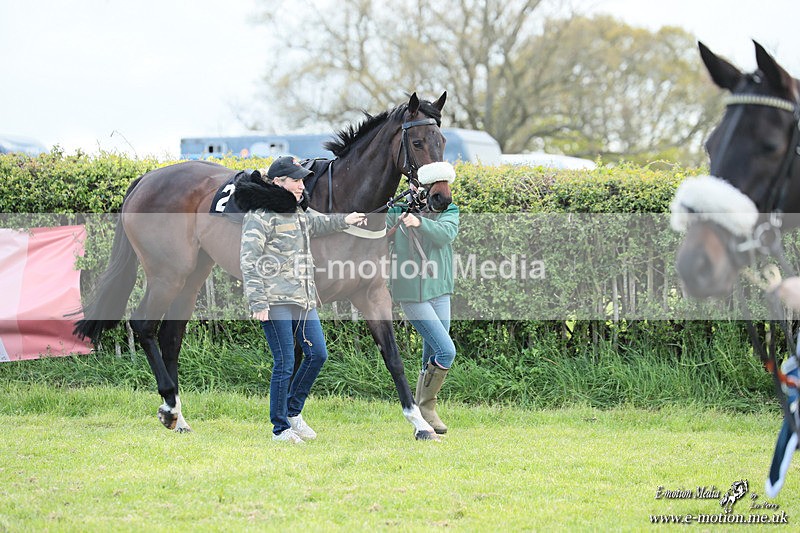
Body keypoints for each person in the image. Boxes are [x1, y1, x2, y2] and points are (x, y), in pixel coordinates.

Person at [237, 156, 365, 444]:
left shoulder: (296, 212)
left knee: (318, 354)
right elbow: (249, 261)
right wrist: (258, 302)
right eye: (296, 180)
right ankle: (280, 429)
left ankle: (293, 412)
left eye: (302, 179)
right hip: (274, 300)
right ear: (278, 182)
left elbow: (317, 225)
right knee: (284, 363)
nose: (301, 184)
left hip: (303, 299)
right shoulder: (259, 216)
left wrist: (347, 219)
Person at [387, 179, 459, 435]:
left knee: (432, 355)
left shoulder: (449, 210)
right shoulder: (398, 211)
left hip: (439, 290)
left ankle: (421, 411)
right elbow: (381, 233)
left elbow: (446, 235)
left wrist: (420, 222)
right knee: (446, 351)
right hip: (412, 293)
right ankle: (427, 408)